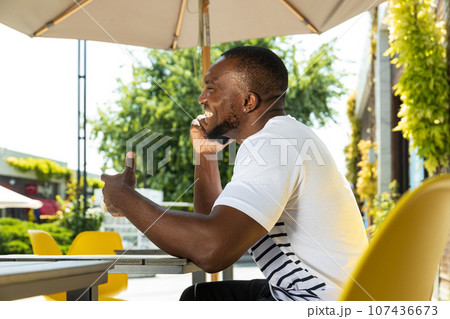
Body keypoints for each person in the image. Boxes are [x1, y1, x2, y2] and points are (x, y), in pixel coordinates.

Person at [101, 46, 368, 301]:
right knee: (199, 298)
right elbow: (209, 223)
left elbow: (211, 249)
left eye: (211, 88)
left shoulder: (272, 145)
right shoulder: (282, 137)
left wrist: (123, 197)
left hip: (320, 304)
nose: (201, 98)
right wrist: (205, 154)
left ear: (248, 102)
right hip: (321, 295)